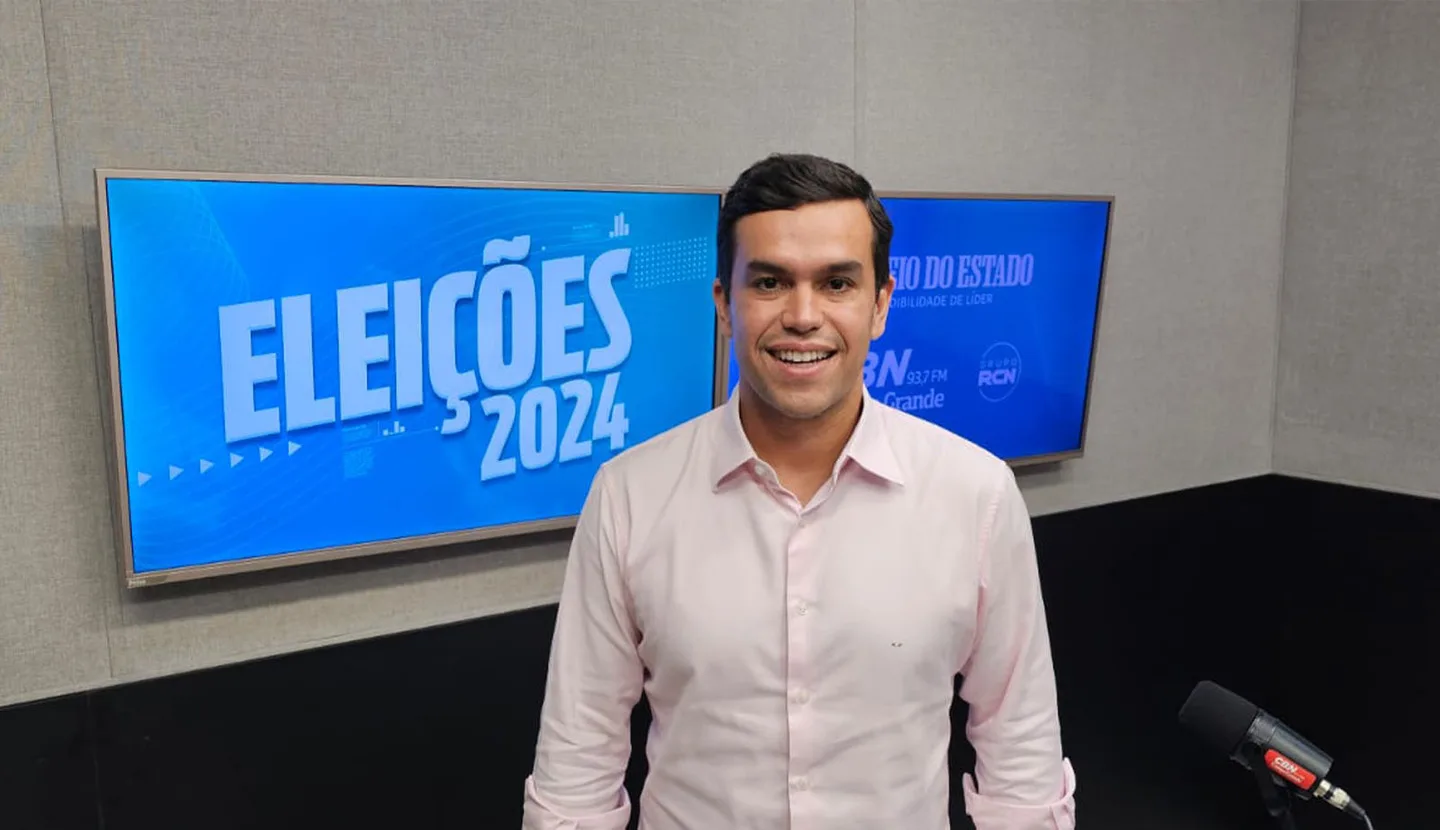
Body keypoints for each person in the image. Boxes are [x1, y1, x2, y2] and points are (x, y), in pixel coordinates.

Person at [522, 153, 1075, 829]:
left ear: (880, 305)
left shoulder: (976, 495)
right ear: (725, 305)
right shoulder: (629, 496)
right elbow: (577, 772)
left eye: (837, 283)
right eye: (770, 282)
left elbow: (1021, 758)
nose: (803, 315)